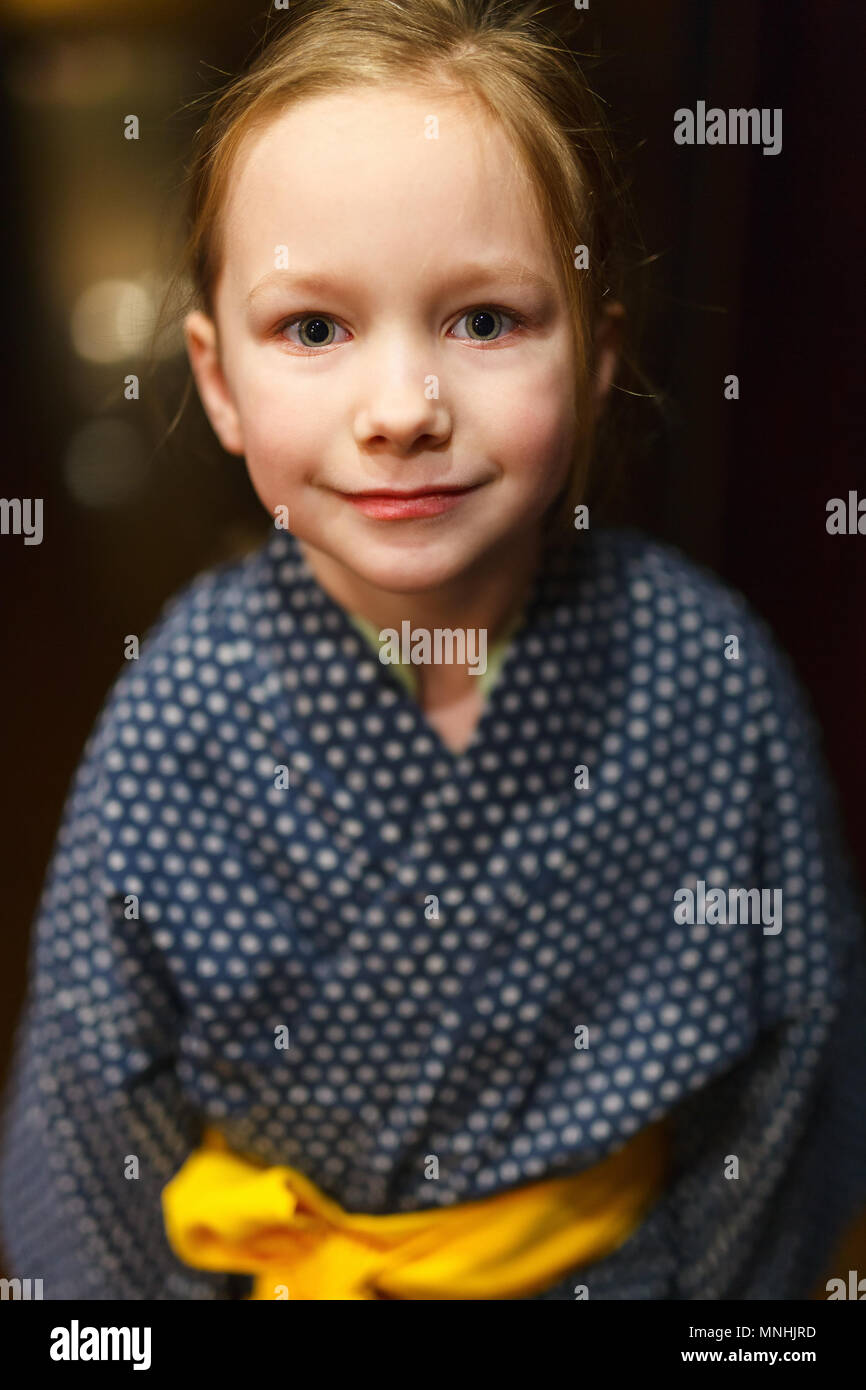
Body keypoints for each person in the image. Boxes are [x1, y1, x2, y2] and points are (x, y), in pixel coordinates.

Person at [1, 0, 864, 1300]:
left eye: (484, 320)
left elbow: (798, 1056)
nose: (401, 409)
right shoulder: (187, 697)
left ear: (595, 352)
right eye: (311, 328)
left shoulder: (702, 669)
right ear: (218, 379)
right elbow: (88, 1096)